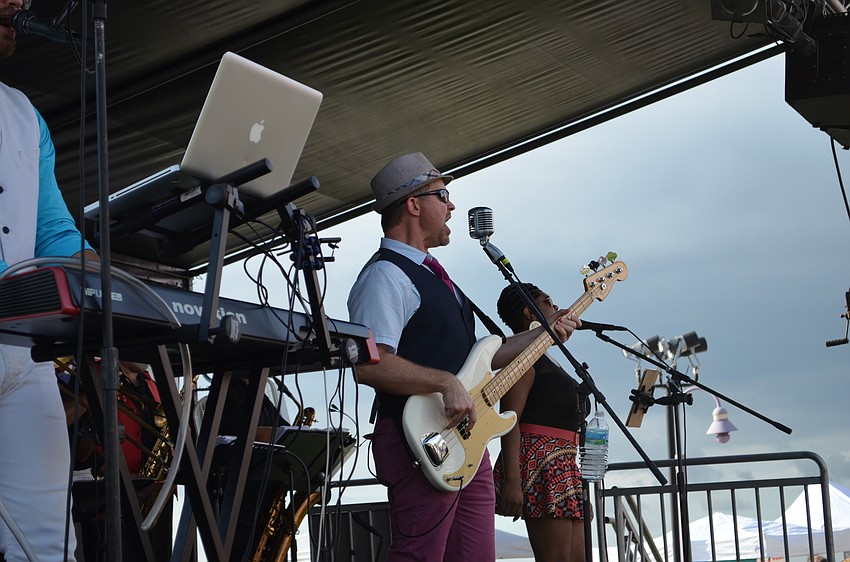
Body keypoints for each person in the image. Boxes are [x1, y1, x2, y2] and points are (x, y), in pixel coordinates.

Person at [347, 152, 580, 561]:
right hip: (417, 440)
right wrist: (444, 382)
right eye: (443, 195)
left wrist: (544, 334)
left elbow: (485, 358)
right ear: (414, 205)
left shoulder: (439, 278)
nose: (452, 206)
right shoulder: (385, 276)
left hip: (464, 443)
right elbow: (369, 363)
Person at [0, 0, 96, 558]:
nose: (19, 3)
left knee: (47, 547)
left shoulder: (20, 112)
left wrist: (128, 291)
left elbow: (54, 233)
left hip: (22, 356)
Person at [494, 282, 589, 562]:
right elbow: (509, 420)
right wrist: (513, 480)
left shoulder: (548, 359)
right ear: (529, 311)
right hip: (540, 466)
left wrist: (576, 483)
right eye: (548, 302)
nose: (557, 307)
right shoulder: (523, 360)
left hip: (564, 465)